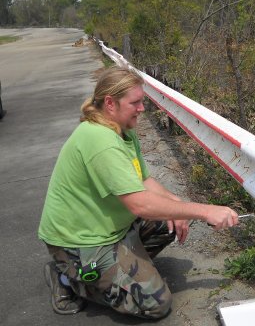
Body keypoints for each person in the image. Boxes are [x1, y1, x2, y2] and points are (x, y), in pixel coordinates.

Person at [38, 66, 239, 319]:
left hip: (110, 229)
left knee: (170, 220)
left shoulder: (123, 130)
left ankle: (122, 271)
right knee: (156, 303)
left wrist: (176, 203)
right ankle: (69, 278)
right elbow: (140, 205)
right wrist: (205, 211)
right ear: (110, 103)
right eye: (135, 102)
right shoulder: (100, 141)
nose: (142, 108)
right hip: (80, 241)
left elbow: (143, 180)